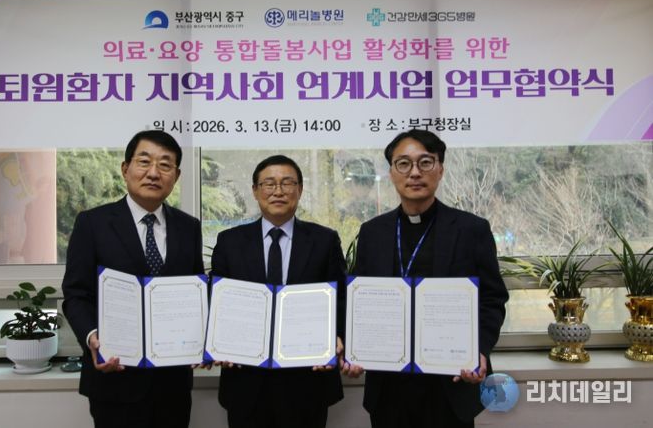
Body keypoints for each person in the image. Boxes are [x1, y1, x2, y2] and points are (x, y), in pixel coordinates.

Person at [342, 129, 509, 428]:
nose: (415, 172)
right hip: (389, 388)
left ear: (440, 169)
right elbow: (359, 301)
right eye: (403, 164)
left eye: (425, 162)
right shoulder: (372, 232)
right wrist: (354, 349)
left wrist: (479, 350)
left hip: (450, 384)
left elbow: (492, 299)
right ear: (392, 173)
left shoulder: (471, 230)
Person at [62, 130, 203, 428]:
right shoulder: (93, 223)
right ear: (125, 169)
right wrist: (92, 337)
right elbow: (76, 294)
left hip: (173, 384)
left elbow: (195, 293)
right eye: (144, 161)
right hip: (115, 379)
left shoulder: (189, 228)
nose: (153, 173)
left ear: (176, 176)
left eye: (165, 165)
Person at [211, 154, 346, 428]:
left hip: (307, 382)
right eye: (269, 184)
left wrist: (338, 338)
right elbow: (216, 302)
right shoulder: (229, 242)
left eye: (287, 183)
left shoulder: (324, 240)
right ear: (255, 191)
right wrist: (217, 340)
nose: (278, 191)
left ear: (300, 190)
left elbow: (341, 299)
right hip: (245, 383)